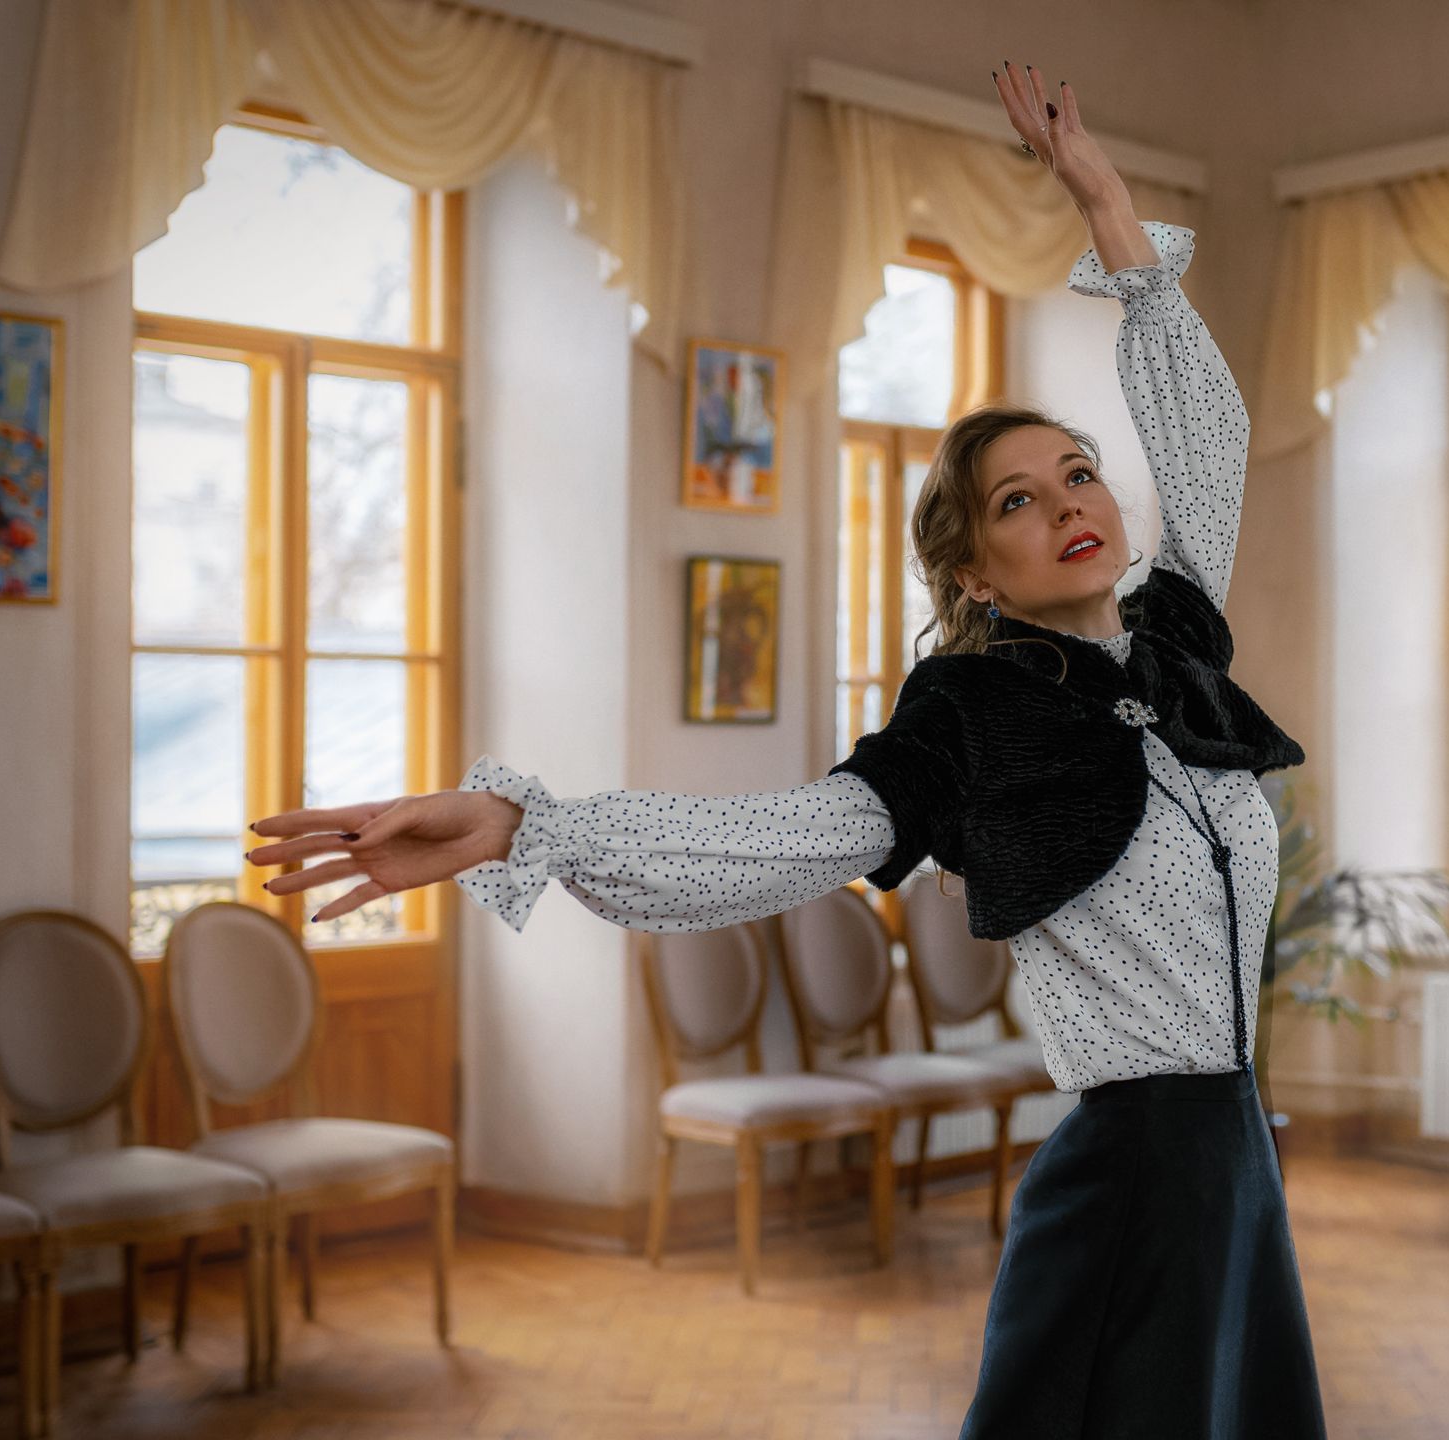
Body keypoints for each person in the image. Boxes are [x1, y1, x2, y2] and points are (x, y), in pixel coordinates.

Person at [245, 63, 1327, 1440]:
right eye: (1017, 500)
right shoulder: (967, 714)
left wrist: (1108, 208)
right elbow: (790, 839)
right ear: (975, 572)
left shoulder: (1179, 640)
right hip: (1129, 1184)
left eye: (1078, 473)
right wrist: (533, 826)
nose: (1069, 505)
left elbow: (1208, 445)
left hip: (1233, 1161)